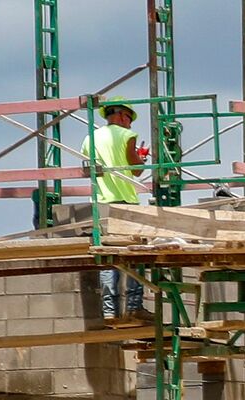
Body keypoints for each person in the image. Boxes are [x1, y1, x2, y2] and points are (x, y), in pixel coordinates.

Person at [81, 96, 153, 323]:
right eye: (129, 119)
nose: (130, 124)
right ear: (122, 116)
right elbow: (136, 171)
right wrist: (141, 159)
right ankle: (133, 307)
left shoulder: (89, 138)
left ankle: (109, 311)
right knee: (134, 256)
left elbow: (90, 171)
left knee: (108, 258)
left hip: (101, 204)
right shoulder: (127, 135)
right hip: (126, 204)